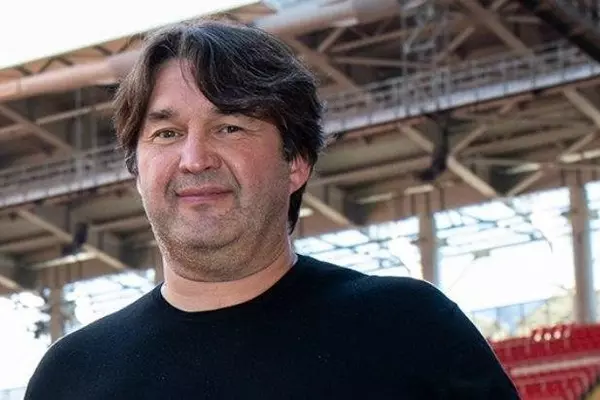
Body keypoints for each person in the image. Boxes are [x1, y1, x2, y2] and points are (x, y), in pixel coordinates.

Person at [25, 19, 519, 399]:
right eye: (167, 133)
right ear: (137, 172)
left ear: (296, 161)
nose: (194, 159)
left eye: (230, 128)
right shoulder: (70, 377)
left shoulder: (408, 330)